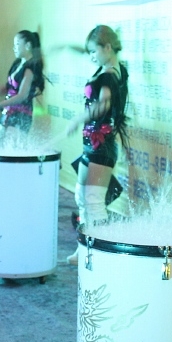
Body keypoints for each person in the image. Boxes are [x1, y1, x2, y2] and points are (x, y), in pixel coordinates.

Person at [64, 25, 128, 258]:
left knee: (93, 201)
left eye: (93, 51)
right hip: (91, 143)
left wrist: (78, 118)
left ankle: (100, 255)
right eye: (88, 52)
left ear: (107, 47)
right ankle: (84, 249)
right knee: (81, 198)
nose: (90, 56)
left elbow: (103, 105)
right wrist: (69, 47)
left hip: (102, 145)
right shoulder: (110, 68)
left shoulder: (110, 75)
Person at [0, 30, 44, 144]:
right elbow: (9, 87)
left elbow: (22, 95)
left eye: (17, 44)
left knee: (12, 148)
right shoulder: (17, 63)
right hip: (8, 110)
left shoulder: (31, 67)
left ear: (27, 45)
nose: (14, 48)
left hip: (21, 114)